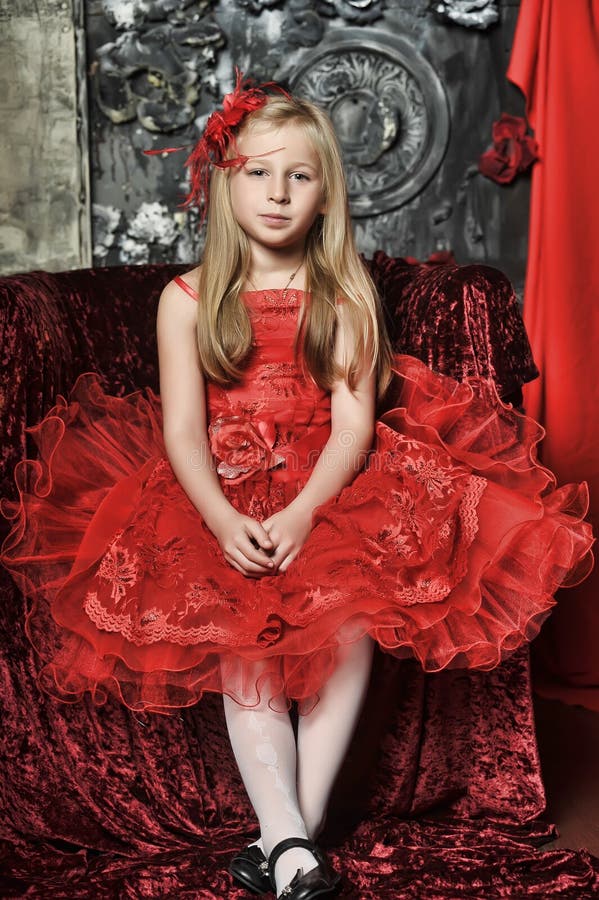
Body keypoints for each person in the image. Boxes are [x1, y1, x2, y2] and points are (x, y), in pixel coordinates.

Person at [0, 73, 594, 899]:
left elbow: (353, 425)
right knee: (251, 662)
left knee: (344, 636)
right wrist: (217, 519)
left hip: (333, 488)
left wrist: (305, 512)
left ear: (324, 195)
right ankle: (294, 848)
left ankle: (284, 846)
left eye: (299, 176)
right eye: (258, 173)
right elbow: (179, 430)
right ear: (227, 184)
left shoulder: (342, 294)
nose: (277, 193)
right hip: (217, 493)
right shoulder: (188, 300)